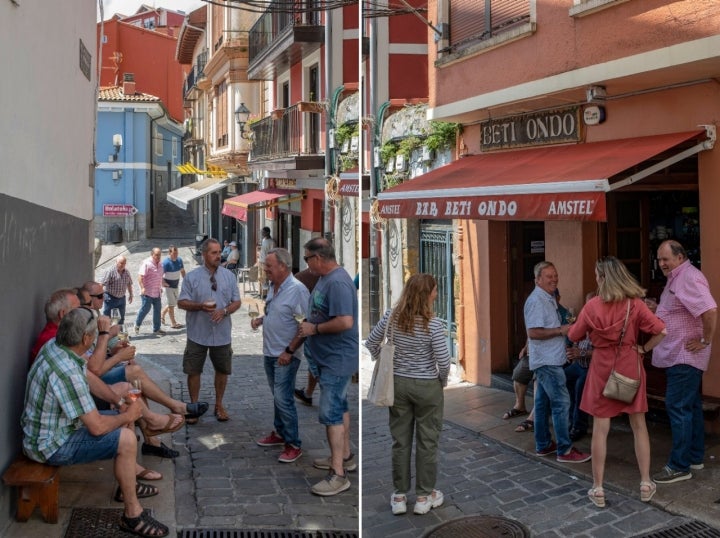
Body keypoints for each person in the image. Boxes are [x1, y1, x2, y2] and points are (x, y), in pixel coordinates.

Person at [22, 308, 170, 537]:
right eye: (95, 336)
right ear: (86, 339)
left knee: (124, 418)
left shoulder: (57, 346)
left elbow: (90, 379)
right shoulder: (66, 371)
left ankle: (127, 486)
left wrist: (119, 403)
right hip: (49, 445)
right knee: (127, 436)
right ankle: (132, 515)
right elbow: (97, 426)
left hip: (54, 431)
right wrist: (128, 416)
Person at [39, 284, 209, 459]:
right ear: (63, 315)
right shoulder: (60, 340)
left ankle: (150, 441)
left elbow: (87, 370)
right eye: (83, 306)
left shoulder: (63, 336)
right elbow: (92, 371)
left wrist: (114, 352)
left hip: (79, 393)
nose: (89, 308)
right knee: (131, 383)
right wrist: (110, 342)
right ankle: (158, 424)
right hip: (63, 422)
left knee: (133, 389)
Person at [568, 256, 667, 507]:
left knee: (600, 430)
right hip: (629, 365)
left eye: (597, 275)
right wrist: (643, 349)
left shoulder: (592, 307)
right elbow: (662, 331)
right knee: (638, 426)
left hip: (602, 369)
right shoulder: (634, 305)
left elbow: (574, 335)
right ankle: (645, 483)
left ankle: (598, 488)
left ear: (603, 278)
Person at [365, 273, 450, 516]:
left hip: (398, 385)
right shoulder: (433, 324)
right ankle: (424, 496)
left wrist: (386, 363)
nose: (437, 293)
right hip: (427, 387)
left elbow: (371, 342)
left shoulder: (392, 317)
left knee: (400, 441)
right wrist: (441, 381)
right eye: (434, 290)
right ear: (427, 294)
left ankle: (400, 495)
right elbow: (444, 361)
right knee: (427, 442)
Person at [651, 240, 717, 484]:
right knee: (689, 408)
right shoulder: (678, 277)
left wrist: (705, 340)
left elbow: (710, 310)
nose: (662, 264)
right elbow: (680, 310)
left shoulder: (688, 277)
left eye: (665, 259)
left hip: (684, 355)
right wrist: (658, 308)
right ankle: (695, 457)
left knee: (677, 407)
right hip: (679, 353)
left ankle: (679, 465)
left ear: (680, 257)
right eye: (659, 260)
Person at [298, 238, 358, 496]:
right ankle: (344, 456)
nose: (306, 264)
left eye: (306, 259)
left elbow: (345, 321)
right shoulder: (326, 278)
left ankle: (338, 475)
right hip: (329, 358)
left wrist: (315, 328)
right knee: (340, 407)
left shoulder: (338, 282)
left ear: (318, 258)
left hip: (337, 359)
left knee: (331, 413)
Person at [524, 261, 591, 464]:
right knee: (562, 403)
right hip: (547, 361)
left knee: (542, 403)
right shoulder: (537, 300)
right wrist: (560, 330)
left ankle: (543, 444)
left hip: (551, 359)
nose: (554, 279)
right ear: (537, 279)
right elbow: (533, 332)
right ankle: (565, 449)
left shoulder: (548, 298)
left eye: (555, 275)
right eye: (548, 276)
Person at [252, 248, 310, 463]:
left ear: (283, 267)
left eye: (269, 265)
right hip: (270, 351)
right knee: (278, 397)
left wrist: (289, 351)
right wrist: (261, 319)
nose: (265, 269)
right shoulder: (274, 286)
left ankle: (293, 443)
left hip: (285, 354)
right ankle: (279, 433)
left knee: (284, 399)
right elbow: (275, 312)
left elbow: (305, 324)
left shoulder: (297, 290)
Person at [178, 238, 242, 423]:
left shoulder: (229, 276)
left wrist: (225, 311)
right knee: (193, 370)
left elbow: (236, 301)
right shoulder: (192, 277)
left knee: (222, 370)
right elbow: (181, 302)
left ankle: (219, 404)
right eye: (213, 252)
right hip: (197, 333)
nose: (218, 255)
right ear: (204, 254)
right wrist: (199, 306)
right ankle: (194, 406)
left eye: (219, 252)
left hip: (222, 333)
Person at [565, 292, 595, 442]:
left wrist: (580, 352)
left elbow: (602, 353)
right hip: (578, 365)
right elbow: (574, 340)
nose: (587, 308)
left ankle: (579, 426)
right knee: (561, 378)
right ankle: (570, 420)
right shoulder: (582, 322)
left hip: (593, 368)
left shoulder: (600, 324)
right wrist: (571, 351)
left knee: (580, 386)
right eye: (586, 304)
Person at [294, 266, 321, 406]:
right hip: (315, 324)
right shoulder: (335, 276)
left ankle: (331, 396)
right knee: (314, 360)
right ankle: (308, 393)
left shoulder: (297, 280)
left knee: (314, 358)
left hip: (314, 325)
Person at [134, 247, 165, 336]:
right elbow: (140, 277)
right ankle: (137, 324)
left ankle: (156, 329)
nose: (158, 256)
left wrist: (160, 286)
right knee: (145, 309)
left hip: (157, 292)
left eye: (159, 255)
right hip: (147, 292)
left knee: (157, 310)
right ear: (152, 254)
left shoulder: (161, 265)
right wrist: (142, 288)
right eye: (156, 255)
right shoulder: (147, 264)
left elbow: (160, 276)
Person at [101, 255, 134, 325]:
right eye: (121, 263)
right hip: (110, 298)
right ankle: (105, 333)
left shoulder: (126, 272)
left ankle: (119, 334)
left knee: (121, 318)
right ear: (116, 262)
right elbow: (102, 284)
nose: (122, 265)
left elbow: (129, 283)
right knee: (107, 317)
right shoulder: (110, 271)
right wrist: (99, 297)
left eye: (124, 263)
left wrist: (131, 294)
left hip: (121, 298)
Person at [161, 245, 186, 329]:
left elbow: (182, 271)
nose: (175, 255)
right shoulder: (166, 263)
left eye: (177, 253)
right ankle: (173, 323)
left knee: (173, 303)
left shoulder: (179, 260)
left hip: (176, 285)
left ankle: (162, 314)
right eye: (174, 253)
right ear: (169, 253)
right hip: (168, 286)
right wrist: (163, 283)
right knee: (172, 305)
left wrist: (186, 280)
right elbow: (159, 274)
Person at [258, 227, 275, 297]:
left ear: (268, 232)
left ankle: (266, 294)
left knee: (265, 278)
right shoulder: (263, 240)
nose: (262, 233)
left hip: (266, 263)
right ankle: (261, 293)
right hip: (261, 261)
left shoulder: (271, 242)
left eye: (263, 232)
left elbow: (272, 253)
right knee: (260, 278)